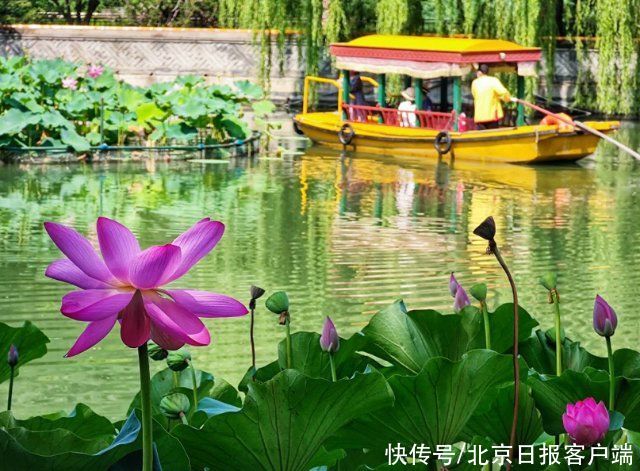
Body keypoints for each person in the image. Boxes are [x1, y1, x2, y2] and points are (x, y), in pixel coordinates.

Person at [471, 63, 515, 130]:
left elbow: (475, 95)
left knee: (482, 137)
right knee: (492, 135)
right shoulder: (493, 80)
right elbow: (503, 92)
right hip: (491, 116)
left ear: (479, 72)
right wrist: (507, 98)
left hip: (479, 116)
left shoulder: (474, 83)